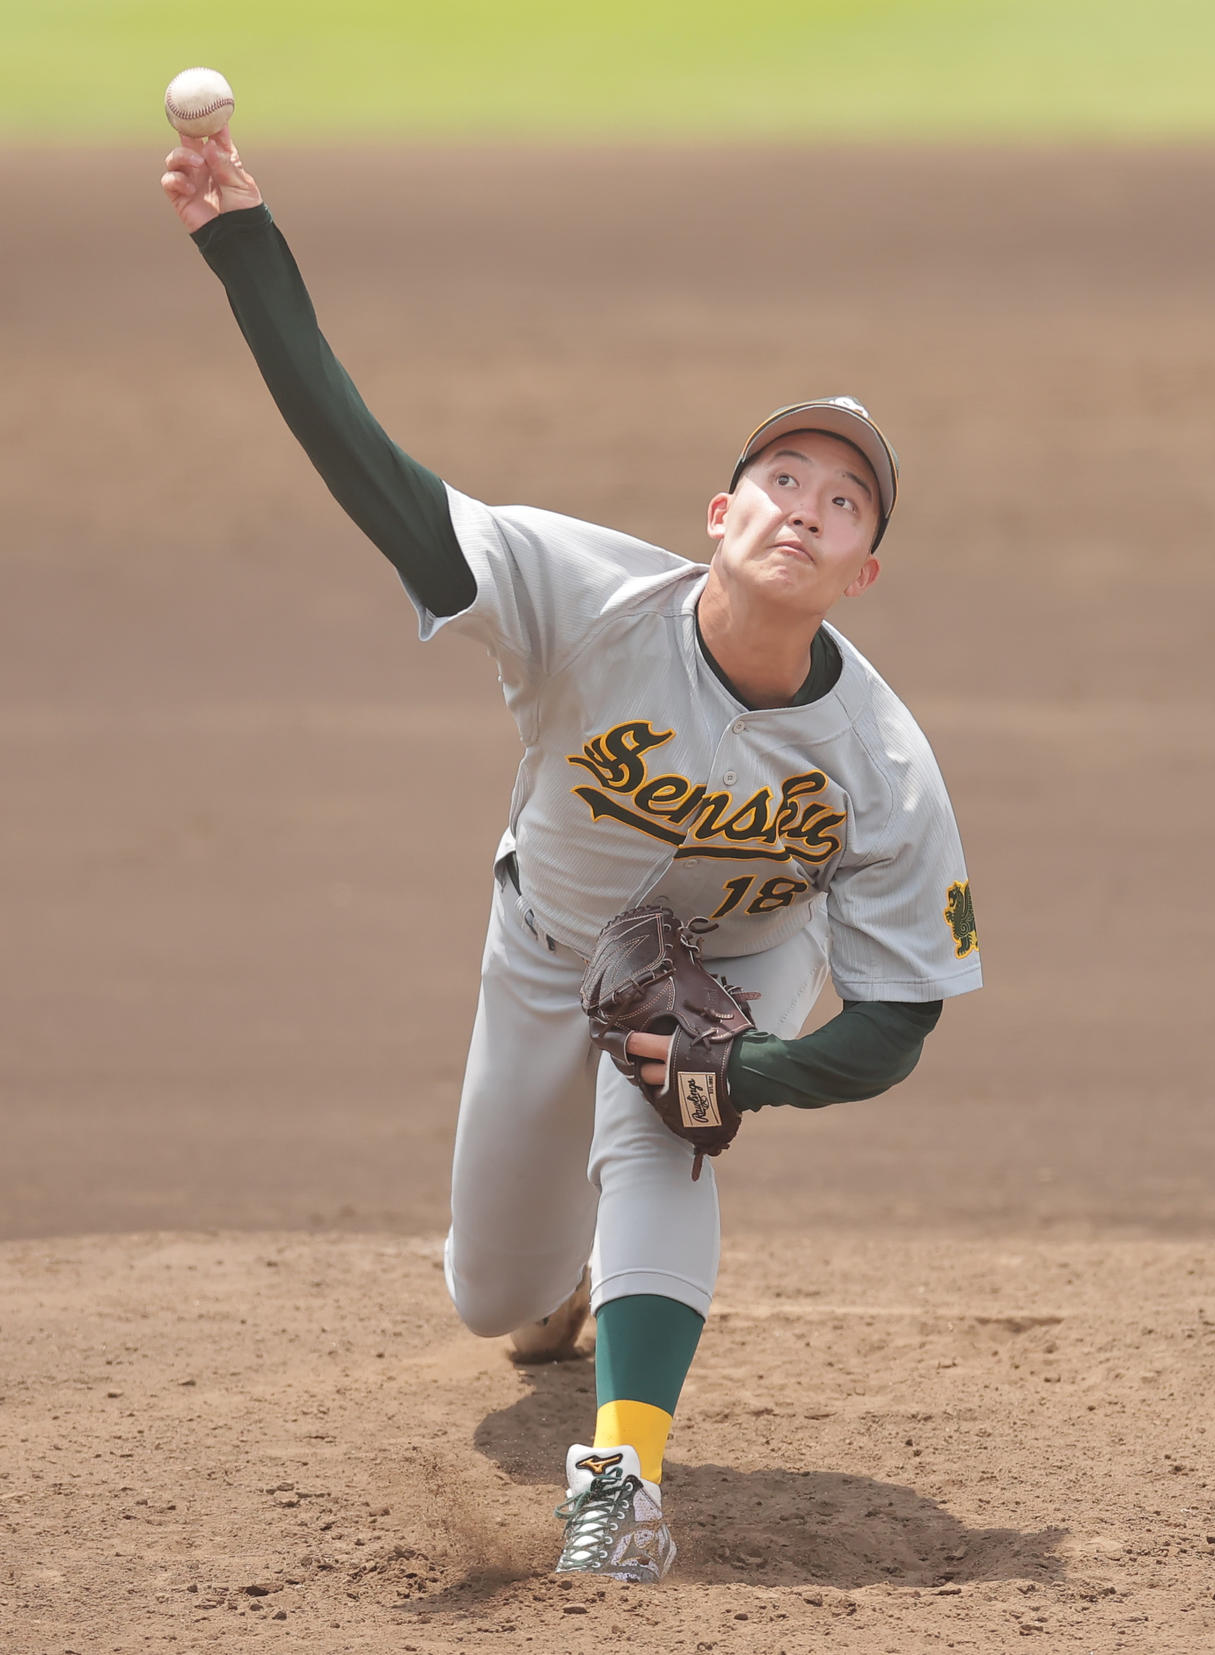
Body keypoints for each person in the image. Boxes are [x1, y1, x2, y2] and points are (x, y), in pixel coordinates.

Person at [161, 130, 982, 1585]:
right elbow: (378, 477)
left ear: (862, 572)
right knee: (491, 1291)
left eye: (844, 500)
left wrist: (748, 1071)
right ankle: (559, 1292)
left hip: (739, 959)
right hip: (546, 951)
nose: (806, 502)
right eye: (782, 475)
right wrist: (244, 247)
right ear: (720, 518)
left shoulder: (884, 763)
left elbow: (900, 1017)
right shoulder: (583, 599)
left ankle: (621, 1484)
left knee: (668, 1119)